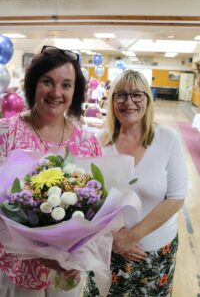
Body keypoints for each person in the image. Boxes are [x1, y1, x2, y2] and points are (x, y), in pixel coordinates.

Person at [0, 45, 101, 297]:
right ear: (33, 84)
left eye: (66, 85)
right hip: (16, 269)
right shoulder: (6, 133)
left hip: (67, 272)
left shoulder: (87, 143)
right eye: (48, 81)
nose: (56, 92)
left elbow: (97, 210)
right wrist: (39, 251)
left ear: (75, 91)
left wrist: (74, 253)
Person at [84, 69, 188, 297]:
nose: (128, 102)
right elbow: (89, 198)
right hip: (107, 247)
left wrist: (132, 236)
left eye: (136, 95)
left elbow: (176, 197)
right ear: (111, 102)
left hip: (154, 251)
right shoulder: (99, 142)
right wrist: (114, 236)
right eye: (120, 95)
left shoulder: (167, 139)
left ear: (147, 100)